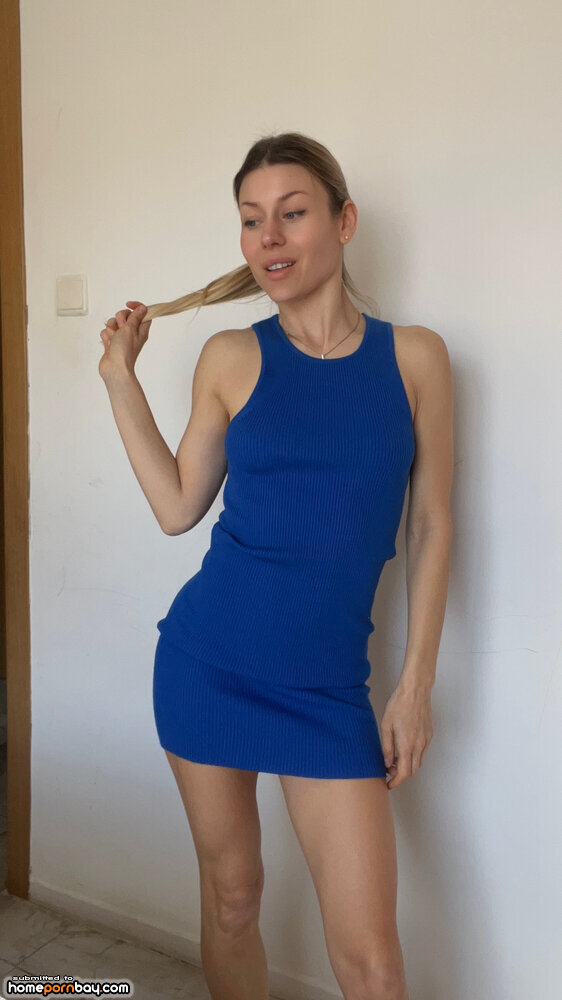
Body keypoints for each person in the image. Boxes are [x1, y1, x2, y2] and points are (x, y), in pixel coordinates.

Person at [99, 131, 453, 1000]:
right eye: (252, 219)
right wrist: (119, 379)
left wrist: (414, 685)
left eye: (292, 214)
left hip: (327, 690)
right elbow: (178, 508)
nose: (270, 237)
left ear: (344, 221)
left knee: (373, 962)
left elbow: (432, 524)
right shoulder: (232, 357)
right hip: (208, 664)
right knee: (233, 900)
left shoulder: (415, 358)